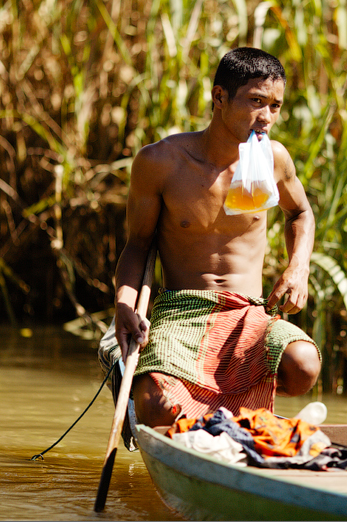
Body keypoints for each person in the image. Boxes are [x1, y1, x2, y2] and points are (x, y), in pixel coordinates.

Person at [101, 47, 321, 430]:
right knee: (156, 409)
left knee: (303, 365)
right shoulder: (161, 162)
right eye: (256, 102)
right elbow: (138, 245)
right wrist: (125, 305)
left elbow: (300, 213)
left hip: (247, 311)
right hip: (182, 308)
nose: (266, 117)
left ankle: (236, 405)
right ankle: (144, 389)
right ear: (220, 97)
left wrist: (298, 268)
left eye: (275, 106)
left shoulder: (272, 159)